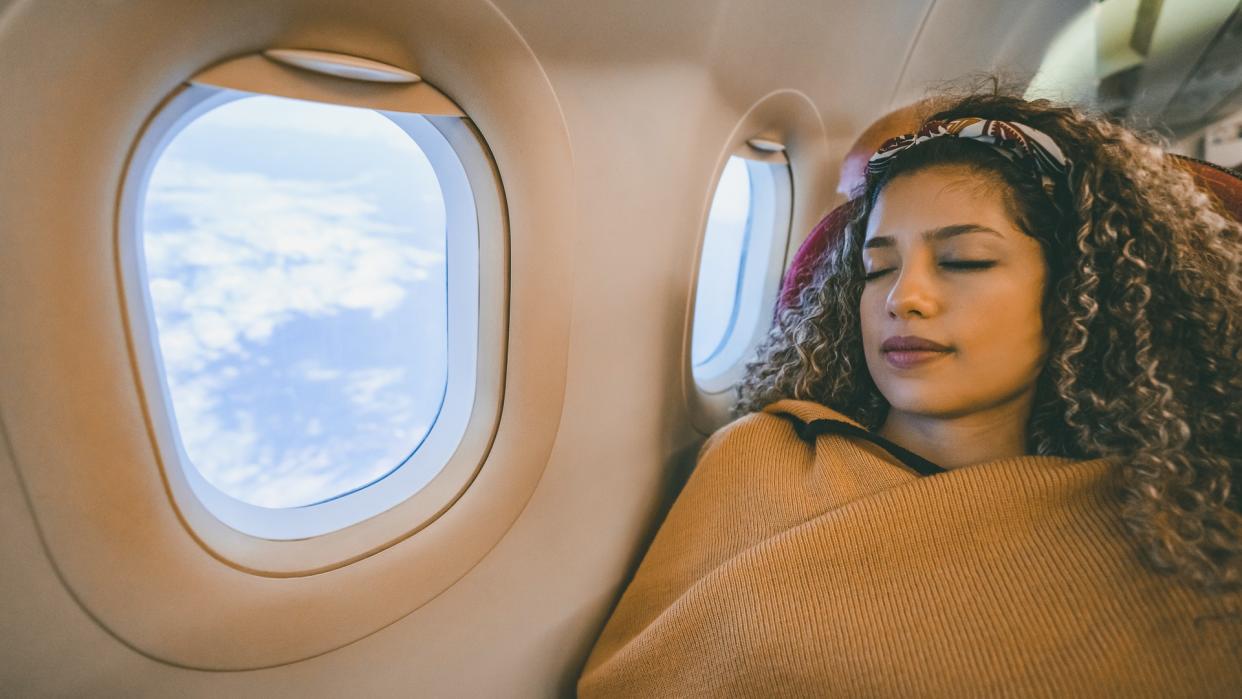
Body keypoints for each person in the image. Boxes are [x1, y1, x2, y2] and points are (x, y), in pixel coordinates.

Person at [578, 92, 1242, 696]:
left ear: (1074, 294)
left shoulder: (1165, 526)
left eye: (964, 261)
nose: (904, 299)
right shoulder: (759, 456)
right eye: (879, 268)